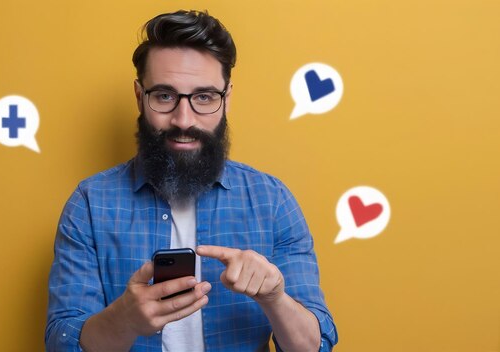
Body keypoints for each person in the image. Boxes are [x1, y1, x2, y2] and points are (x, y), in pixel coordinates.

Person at [45, 10, 337, 352]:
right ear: (140, 97)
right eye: (165, 96)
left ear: (226, 99)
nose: (183, 119)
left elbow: (313, 347)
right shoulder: (90, 204)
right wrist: (123, 319)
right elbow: (61, 342)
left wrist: (274, 297)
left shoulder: (272, 202)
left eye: (204, 97)